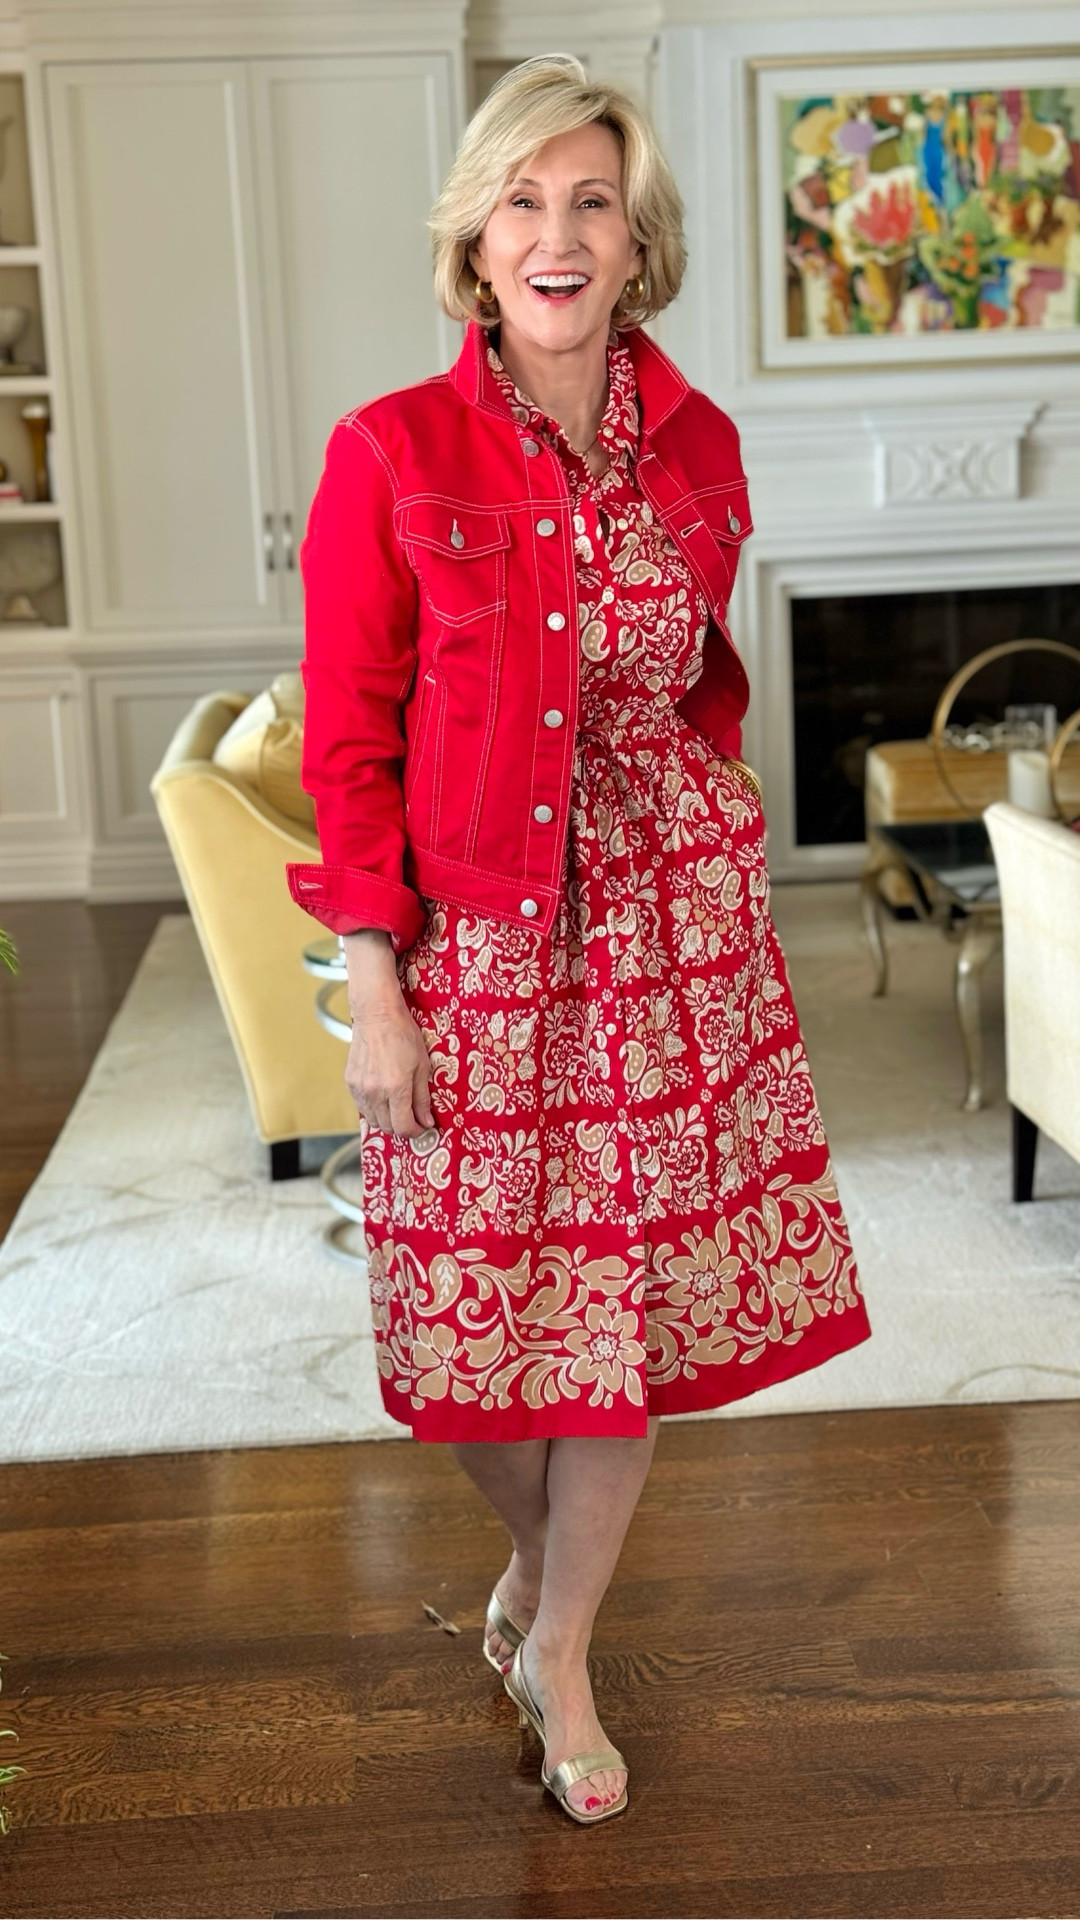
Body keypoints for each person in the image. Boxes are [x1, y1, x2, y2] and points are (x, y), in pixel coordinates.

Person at [287, 53, 872, 1826]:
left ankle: (563, 1647)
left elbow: (689, 681)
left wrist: (714, 844)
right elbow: (350, 741)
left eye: (592, 201)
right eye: (523, 201)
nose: (558, 232)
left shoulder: (697, 439)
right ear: (475, 239)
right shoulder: (390, 449)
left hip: (673, 942)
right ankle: (541, 1572)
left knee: (617, 1313)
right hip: (478, 937)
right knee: (466, 1328)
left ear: (637, 241)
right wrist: (375, 985)